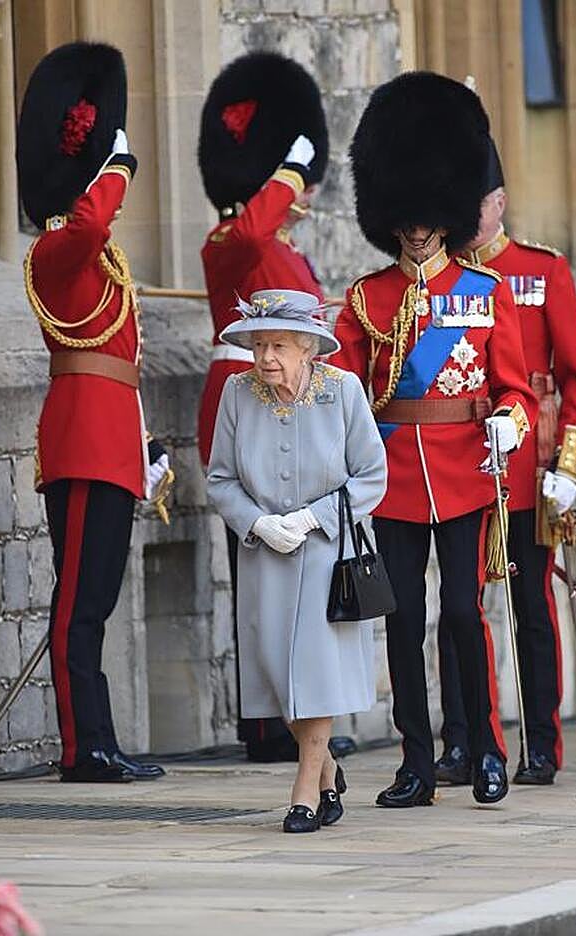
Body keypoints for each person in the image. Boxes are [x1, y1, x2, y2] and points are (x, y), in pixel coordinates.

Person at [331, 72, 538, 807]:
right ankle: (416, 762)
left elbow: (514, 388)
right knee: (403, 621)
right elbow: (342, 385)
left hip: (463, 474)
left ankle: (484, 747)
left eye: (427, 217)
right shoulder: (367, 299)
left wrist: (510, 422)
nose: (417, 229)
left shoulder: (485, 294)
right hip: (393, 478)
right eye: (407, 218)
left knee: (461, 614)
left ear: (447, 216)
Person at [16, 43, 169, 782]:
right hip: (80, 442)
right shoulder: (55, 250)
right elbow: (87, 227)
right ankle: (84, 748)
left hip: (111, 440)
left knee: (96, 601)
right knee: (78, 603)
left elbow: (121, 365)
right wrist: (118, 167)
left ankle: (100, 740)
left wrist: (144, 444)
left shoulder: (98, 260)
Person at [435, 139, 576, 787]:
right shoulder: (442, 277)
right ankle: (463, 740)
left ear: (498, 202)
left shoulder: (541, 270)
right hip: (460, 459)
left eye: (474, 202)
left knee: (531, 605)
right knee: (457, 606)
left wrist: (568, 465)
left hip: (528, 462)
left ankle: (540, 743)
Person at [207, 290, 387, 832]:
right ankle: (328, 769)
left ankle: (305, 791)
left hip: (329, 553)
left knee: (315, 670)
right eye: (259, 345)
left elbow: (372, 476)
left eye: (279, 346)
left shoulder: (343, 390)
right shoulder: (237, 393)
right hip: (265, 556)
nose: (266, 357)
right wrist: (258, 523)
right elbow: (220, 478)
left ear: (308, 347)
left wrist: (313, 519)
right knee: (277, 674)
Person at [198, 52, 329, 762]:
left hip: (295, 411)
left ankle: (294, 711)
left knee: (297, 569)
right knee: (258, 566)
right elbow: (251, 231)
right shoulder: (233, 242)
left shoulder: (282, 249)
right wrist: (292, 171)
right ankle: (266, 722)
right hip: (247, 409)